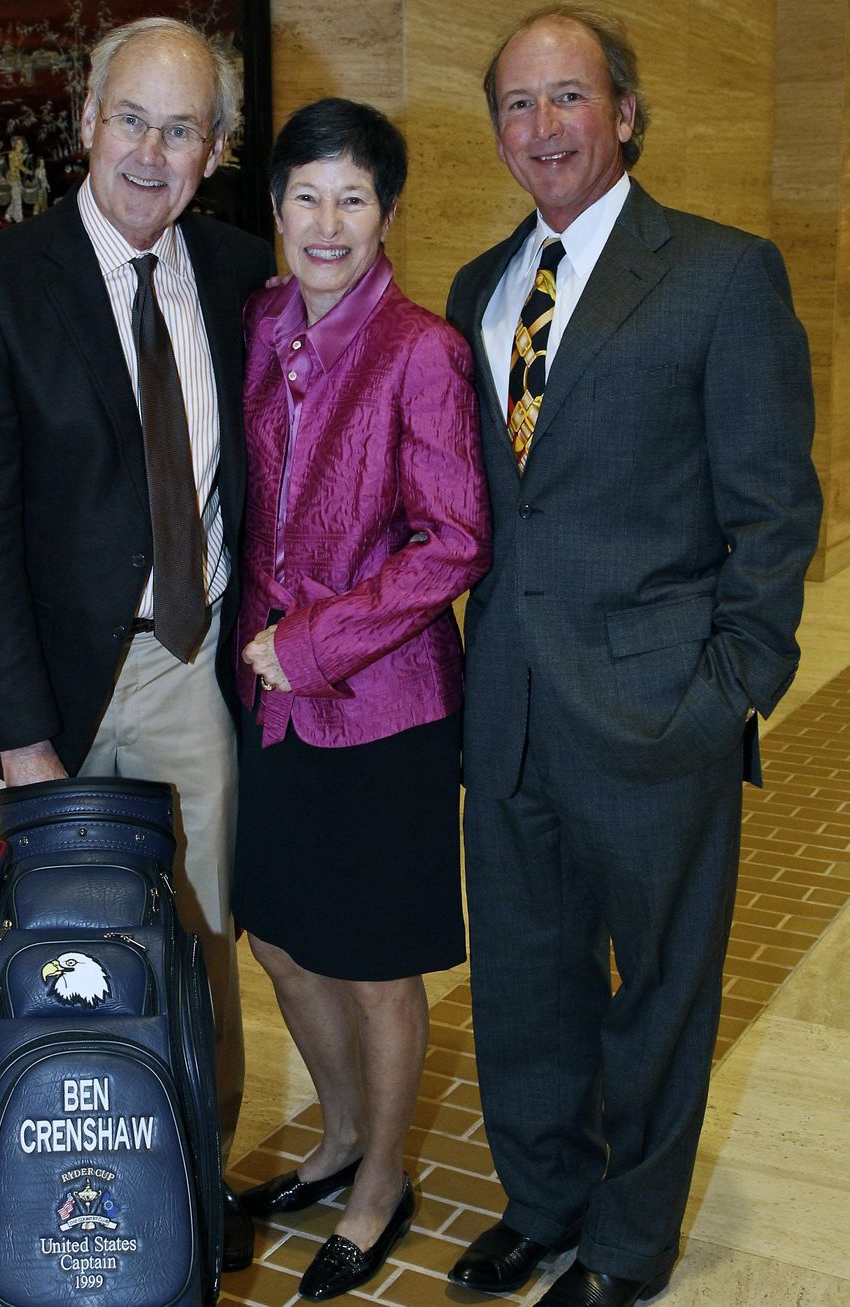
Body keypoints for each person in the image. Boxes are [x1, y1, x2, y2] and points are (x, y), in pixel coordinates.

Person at [445, 7, 822, 1306]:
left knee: (659, 991)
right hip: (507, 711)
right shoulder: (477, 288)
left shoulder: (722, 274)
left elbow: (775, 511)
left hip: (659, 713)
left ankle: (626, 1243)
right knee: (523, 979)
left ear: (625, 110)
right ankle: (543, 1198)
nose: (542, 125)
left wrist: (727, 690)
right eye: (517, 103)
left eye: (568, 96)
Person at [0, 16, 275, 1272]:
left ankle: (189, 1185)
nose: (149, 152)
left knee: (199, 945)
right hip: (51, 694)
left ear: (214, 150)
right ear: (84, 122)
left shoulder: (239, 274)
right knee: (55, 953)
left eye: (180, 130)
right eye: (130, 119)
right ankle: (54, 1194)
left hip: (188, 667)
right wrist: (22, 742)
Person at [233, 97, 491, 1301]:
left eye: (352, 197)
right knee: (280, 937)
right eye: (306, 195)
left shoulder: (420, 350)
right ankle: (338, 1134)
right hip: (268, 695)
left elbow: (455, 539)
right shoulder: (259, 321)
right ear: (275, 207)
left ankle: (382, 1181)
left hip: (384, 703)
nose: (326, 222)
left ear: (386, 214)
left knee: (378, 964)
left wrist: (315, 640)